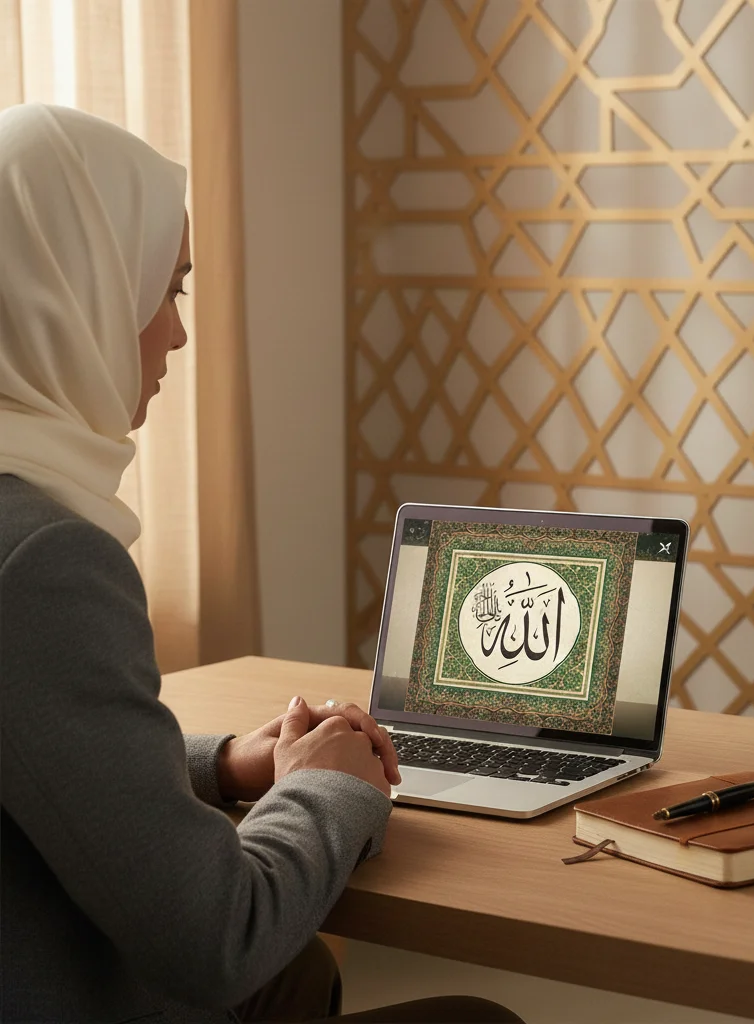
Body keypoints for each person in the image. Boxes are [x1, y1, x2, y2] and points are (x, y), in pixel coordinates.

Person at [0, 102, 522, 1024]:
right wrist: (331, 785)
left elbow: (45, 755)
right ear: (68, 294)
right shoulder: (44, 561)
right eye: (164, 291)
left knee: (302, 975)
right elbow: (217, 938)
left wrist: (235, 764)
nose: (177, 334)